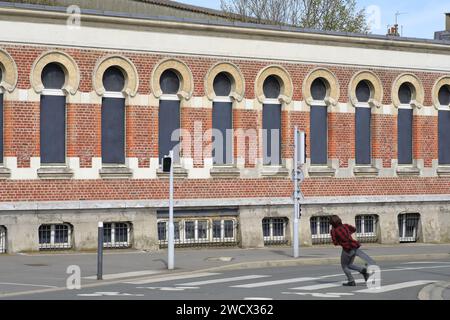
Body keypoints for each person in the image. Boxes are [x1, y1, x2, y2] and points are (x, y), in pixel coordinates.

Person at [330, 215, 376, 286]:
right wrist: (348, 234)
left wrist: (341, 242)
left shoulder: (333, 231)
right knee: (349, 265)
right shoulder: (345, 226)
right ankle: (363, 271)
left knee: (344, 266)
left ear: (332, 223)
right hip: (354, 246)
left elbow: (335, 242)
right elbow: (354, 229)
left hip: (347, 249)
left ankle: (351, 281)